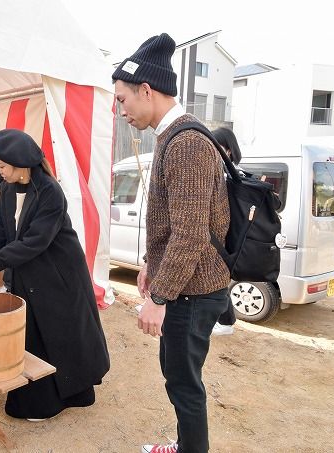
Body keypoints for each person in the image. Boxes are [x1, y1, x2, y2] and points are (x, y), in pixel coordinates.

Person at [113, 33, 230, 453]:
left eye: (123, 99)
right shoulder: (171, 137)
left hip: (192, 292)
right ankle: (184, 446)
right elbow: (173, 222)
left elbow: (191, 234)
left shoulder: (186, 143)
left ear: (146, 90)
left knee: (184, 385)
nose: (120, 110)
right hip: (186, 286)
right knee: (179, 378)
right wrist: (150, 263)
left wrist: (158, 298)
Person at [0, 128, 110, 421]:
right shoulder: (7, 188)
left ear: (20, 164)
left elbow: (35, 241)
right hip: (28, 271)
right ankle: (37, 402)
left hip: (59, 273)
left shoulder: (50, 192)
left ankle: (70, 395)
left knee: (62, 334)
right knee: (34, 337)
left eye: (2, 165)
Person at [211, 127, 243, 336]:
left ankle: (226, 320)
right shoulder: (228, 171)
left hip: (226, 234)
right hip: (227, 234)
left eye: (217, 144)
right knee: (220, 279)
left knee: (218, 280)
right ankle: (225, 320)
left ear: (229, 149)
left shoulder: (230, 174)